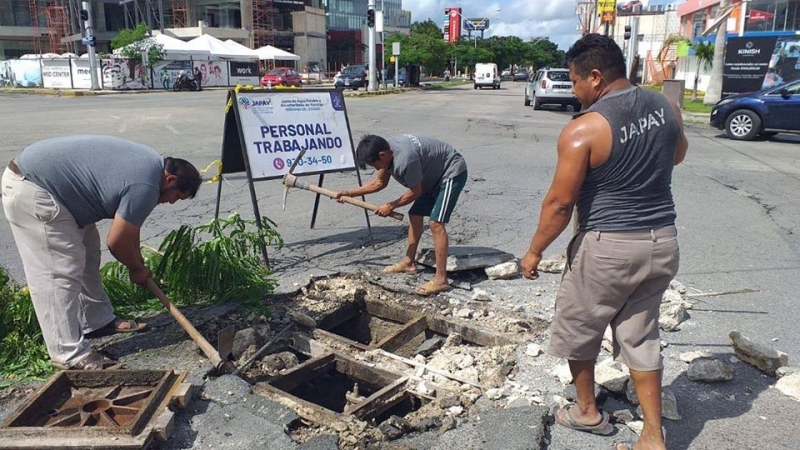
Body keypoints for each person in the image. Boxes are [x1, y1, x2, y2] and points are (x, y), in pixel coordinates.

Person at [520, 34, 687, 450]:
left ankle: (587, 412)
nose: (574, 91)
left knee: (580, 326)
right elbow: (677, 154)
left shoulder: (585, 129)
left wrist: (534, 251)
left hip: (609, 246)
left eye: (575, 82)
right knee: (641, 335)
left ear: (595, 77)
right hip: (662, 242)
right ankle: (652, 435)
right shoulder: (667, 107)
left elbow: (560, 204)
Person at [2, 135, 202, 370]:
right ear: (170, 180)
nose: (172, 202)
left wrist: (137, 260)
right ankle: (68, 354)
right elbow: (116, 242)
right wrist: (136, 269)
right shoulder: (147, 186)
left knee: (89, 255)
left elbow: (130, 226)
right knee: (59, 272)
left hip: (63, 193)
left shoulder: (152, 168)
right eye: (176, 196)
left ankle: (96, 321)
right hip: (36, 188)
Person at [335, 134, 468, 296]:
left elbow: (416, 191)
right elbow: (379, 183)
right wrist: (349, 193)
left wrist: (390, 206)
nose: (376, 169)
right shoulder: (386, 151)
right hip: (430, 178)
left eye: (375, 165)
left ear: (382, 155)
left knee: (436, 223)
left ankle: (441, 280)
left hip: (450, 173)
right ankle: (409, 262)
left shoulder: (405, 159)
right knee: (415, 214)